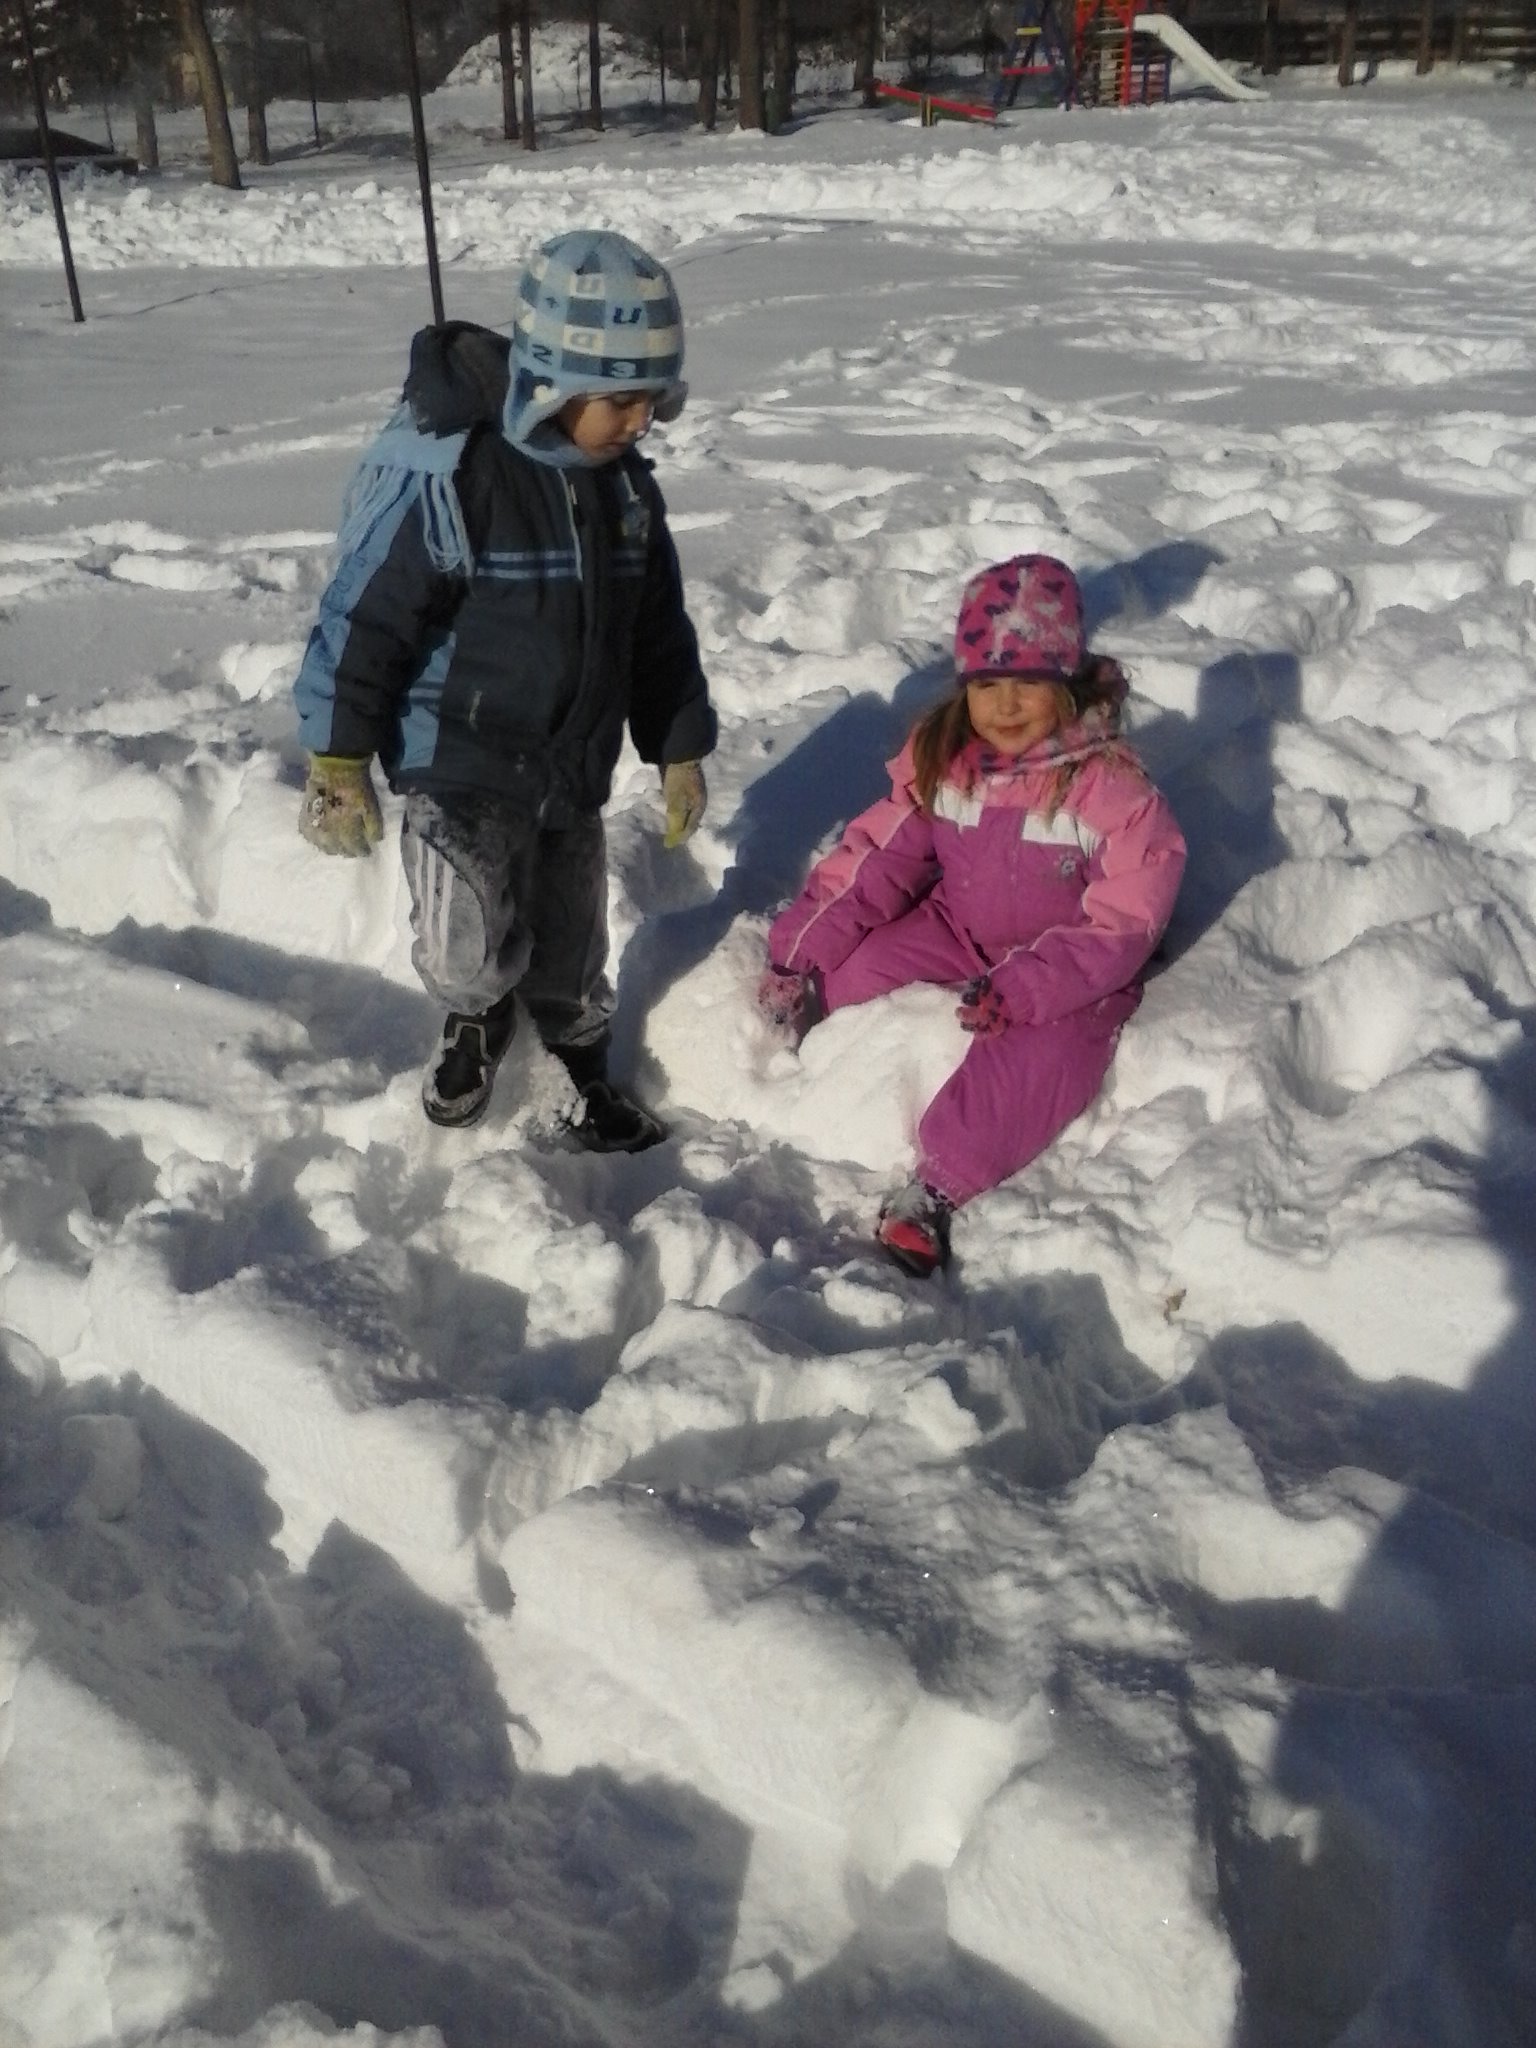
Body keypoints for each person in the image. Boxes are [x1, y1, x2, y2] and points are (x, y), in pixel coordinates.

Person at [292, 229, 715, 1150]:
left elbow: (656, 629)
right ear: (554, 387)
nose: (640, 423)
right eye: (621, 401)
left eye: (651, 401)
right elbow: (367, 619)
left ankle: (574, 1053)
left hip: (570, 763)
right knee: (465, 937)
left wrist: (679, 745)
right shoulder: (460, 479)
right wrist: (339, 754)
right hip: (459, 758)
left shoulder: (625, 493)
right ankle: (475, 1014)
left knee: (572, 935)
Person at [758, 554, 1185, 1275]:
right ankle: (802, 1051)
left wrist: (1031, 986)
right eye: (987, 684)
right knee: (860, 971)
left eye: (1029, 683)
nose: (1006, 705)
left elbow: (1126, 920)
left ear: (1068, 684)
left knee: (1042, 1059)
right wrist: (798, 950)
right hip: (960, 929)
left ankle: (935, 1188)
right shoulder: (948, 763)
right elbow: (878, 857)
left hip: (1069, 968)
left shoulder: (1110, 791)